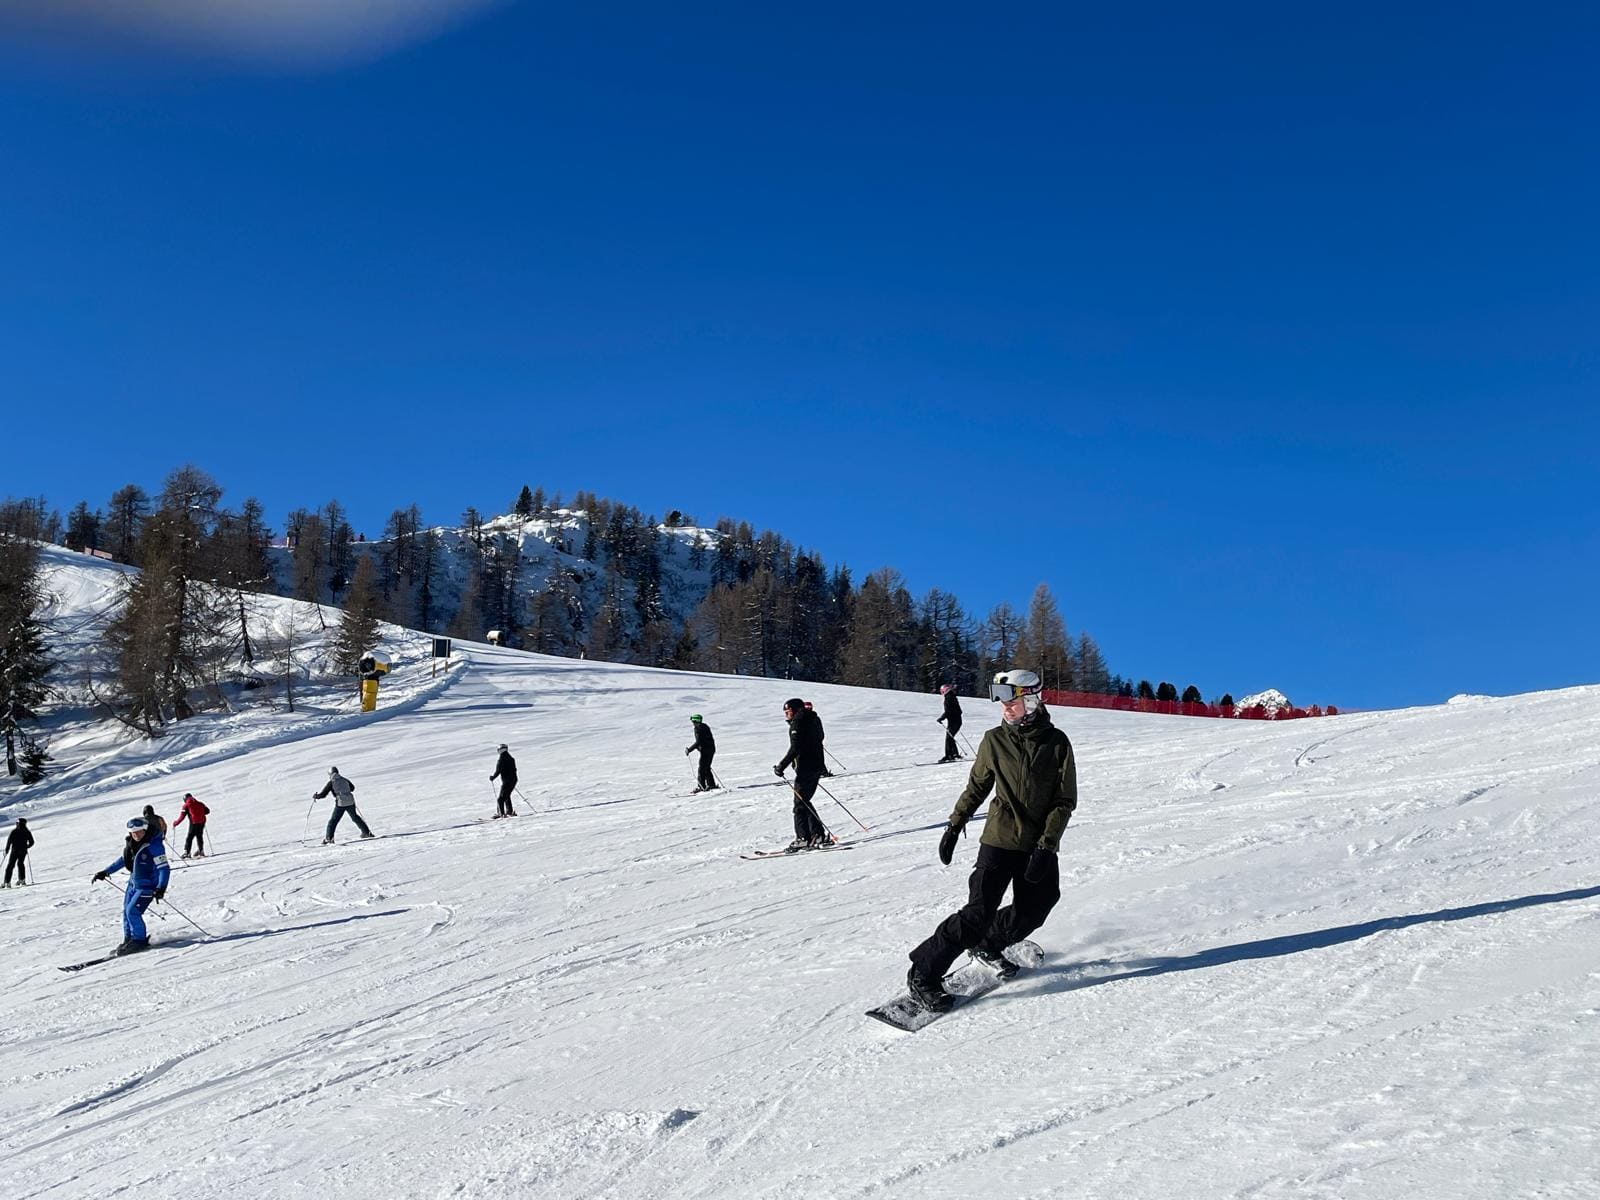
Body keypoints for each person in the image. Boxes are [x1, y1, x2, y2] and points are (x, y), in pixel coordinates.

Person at [904, 669, 1076, 1011]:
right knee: (977, 913)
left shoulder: (1057, 743)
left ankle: (989, 943)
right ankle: (923, 972)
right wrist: (954, 825)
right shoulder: (994, 740)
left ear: (1031, 701)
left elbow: (1064, 800)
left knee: (1036, 908)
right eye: (1001, 702)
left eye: (1011, 701)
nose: (1005, 708)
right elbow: (977, 788)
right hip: (999, 839)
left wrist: (1047, 845)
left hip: (1036, 843)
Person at [92, 816, 171, 955]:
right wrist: (105, 872)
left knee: (132, 911)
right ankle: (129, 940)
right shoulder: (132, 844)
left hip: (147, 886)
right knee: (126, 912)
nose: (136, 835)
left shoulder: (154, 845)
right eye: (133, 833)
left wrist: (161, 887)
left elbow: (164, 868)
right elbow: (123, 860)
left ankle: (139, 941)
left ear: (145, 830)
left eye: (139, 832)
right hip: (133, 884)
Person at [773, 697, 832, 850]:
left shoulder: (798, 722)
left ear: (796, 710)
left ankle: (803, 838)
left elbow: (795, 748)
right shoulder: (813, 719)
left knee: (800, 804)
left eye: (788, 711)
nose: (786, 714)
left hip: (806, 767)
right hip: (816, 765)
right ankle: (817, 835)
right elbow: (819, 738)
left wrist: (781, 766)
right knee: (804, 801)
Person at [312, 767, 374, 843]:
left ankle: (329, 839)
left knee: (333, 821)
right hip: (350, 802)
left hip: (341, 803)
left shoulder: (331, 782)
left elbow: (323, 794)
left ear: (330, 774)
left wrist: (316, 796)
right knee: (355, 817)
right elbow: (352, 788)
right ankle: (367, 833)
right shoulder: (344, 779)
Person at [172, 792, 211, 858]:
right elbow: (207, 811)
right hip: (202, 822)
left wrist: (176, 823)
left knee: (189, 837)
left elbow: (182, 817)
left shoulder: (186, 805)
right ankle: (201, 851)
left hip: (194, 823)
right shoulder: (200, 803)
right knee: (199, 836)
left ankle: (187, 853)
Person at [685, 715, 717, 793]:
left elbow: (699, 742)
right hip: (711, 749)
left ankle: (701, 786)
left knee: (701, 769)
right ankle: (711, 785)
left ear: (696, 721)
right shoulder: (705, 726)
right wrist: (699, 747)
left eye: (693, 722)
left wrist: (689, 750)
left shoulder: (698, 729)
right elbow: (705, 740)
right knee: (707, 767)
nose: (693, 723)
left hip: (705, 751)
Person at [805, 700, 835, 777]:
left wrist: (820, 739)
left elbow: (820, 730)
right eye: (806, 707)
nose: (808, 708)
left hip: (817, 742)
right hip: (806, 743)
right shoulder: (801, 718)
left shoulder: (816, 718)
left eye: (809, 707)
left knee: (819, 758)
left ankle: (823, 772)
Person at [936, 684, 964, 762]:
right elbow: (958, 711)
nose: (942, 693)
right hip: (956, 721)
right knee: (950, 737)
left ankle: (949, 755)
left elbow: (948, 711)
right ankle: (954, 754)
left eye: (942, 691)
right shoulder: (952, 697)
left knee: (949, 738)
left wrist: (941, 718)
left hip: (953, 722)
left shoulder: (949, 698)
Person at [490, 744, 519, 818]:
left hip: (506, 781)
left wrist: (493, 777)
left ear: (500, 750)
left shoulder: (501, 759)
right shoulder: (511, 758)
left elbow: (498, 770)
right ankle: (509, 811)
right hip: (513, 780)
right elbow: (514, 769)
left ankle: (501, 813)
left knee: (501, 798)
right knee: (506, 796)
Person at [3, 817, 32, 887]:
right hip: (23, 851)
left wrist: (7, 850)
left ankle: (7, 882)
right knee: (20, 864)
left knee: (10, 865)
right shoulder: (27, 831)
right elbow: (32, 842)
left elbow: (9, 841)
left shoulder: (14, 831)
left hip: (15, 851)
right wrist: (27, 846)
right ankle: (22, 880)